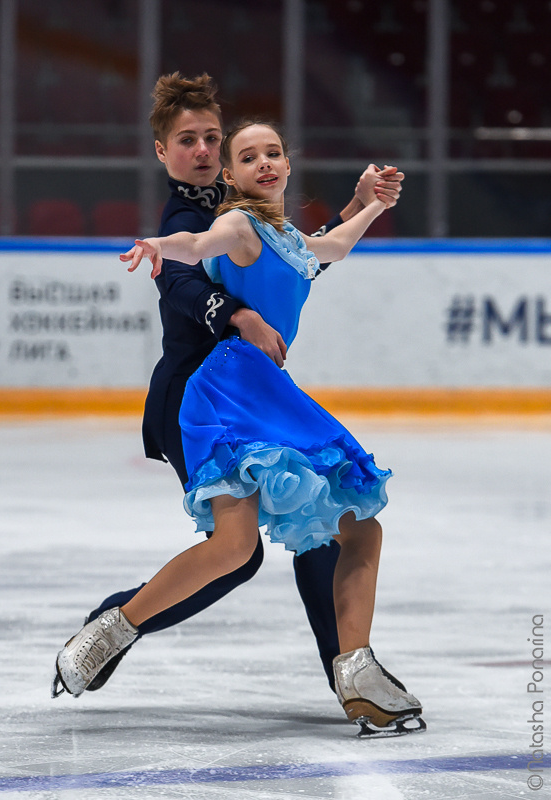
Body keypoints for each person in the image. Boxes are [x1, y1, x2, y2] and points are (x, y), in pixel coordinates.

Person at [54, 117, 425, 738]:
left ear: (288, 162)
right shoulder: (240, 226)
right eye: (248, 157)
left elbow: (331, 247)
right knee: (234, 546)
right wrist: (158, 244)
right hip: (224, 390)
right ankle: (110, 630)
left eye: (274, 152)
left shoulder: (295, 241)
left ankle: (355, 668)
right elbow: (196, 246)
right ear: (232, 176)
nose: (265, 163)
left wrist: (368, 205)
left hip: (271, 396)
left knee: (361, 527)